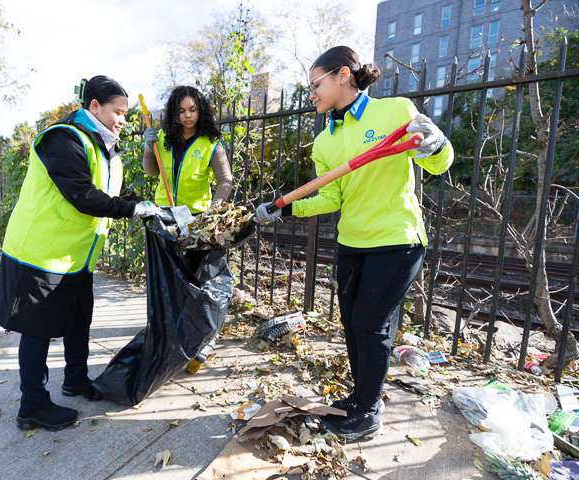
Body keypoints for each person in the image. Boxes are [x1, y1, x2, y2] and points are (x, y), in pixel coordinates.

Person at [255, 46, 454, 440]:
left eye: (316, 85)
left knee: (369, 323)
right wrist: (286, 210)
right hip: (352, 242)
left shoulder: (395, 111)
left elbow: (438, 163)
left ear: (342, 76)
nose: (311, 93)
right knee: (353, 324)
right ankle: (362, 397)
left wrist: (436, 144)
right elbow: (332, 197)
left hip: (397, 238)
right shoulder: (325, 141)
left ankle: (367, 412)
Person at [0, 76, 162, 432]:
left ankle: (76, 379)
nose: (123, 120)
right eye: (118, 111)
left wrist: (151, 208)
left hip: (75, 257)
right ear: (94, 106)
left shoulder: (106, 149)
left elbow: (118, 193)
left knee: (78, 320)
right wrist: (133, 211)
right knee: (36, 330)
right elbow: (82, 195)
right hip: (39, 253)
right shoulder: (63, 140)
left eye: (126, 114)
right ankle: (32, 405)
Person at [142, 85, 232, 212]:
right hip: (164, 212)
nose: (187, 115)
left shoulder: (211, 143)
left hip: (195, 215)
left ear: (200, 110)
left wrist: (215, 205)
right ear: (174, 112)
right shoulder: (162, 137)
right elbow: (152, 172)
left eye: (192, 110)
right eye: (181, 111)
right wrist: (148, 149)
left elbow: (225, 180)